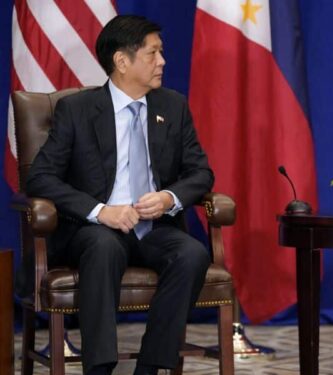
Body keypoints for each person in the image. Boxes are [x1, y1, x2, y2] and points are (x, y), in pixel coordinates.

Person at [26, 15, 214, 375]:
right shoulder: (77, 110)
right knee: (103, 245)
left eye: (162, 52)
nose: (163, 62)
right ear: (122, 61)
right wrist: (100, 211)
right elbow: (40, 177)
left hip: (154, 229)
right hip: (95, 229)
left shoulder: (172, 106)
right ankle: (99, 368)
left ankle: (150, 366)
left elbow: (200, 172)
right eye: (153, 53)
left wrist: (168, 198)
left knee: (191, 253)